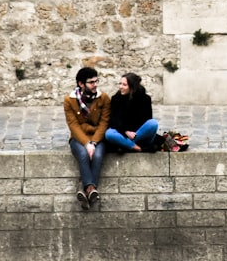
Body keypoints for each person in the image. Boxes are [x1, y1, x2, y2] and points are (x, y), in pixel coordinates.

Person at [63, 67, 110, 210]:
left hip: (98, 137)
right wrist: (87, 143)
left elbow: (104, 123)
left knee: (98, 154)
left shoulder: (103, 98)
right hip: (79, 138)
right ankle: (91, 189)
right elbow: (73, 125)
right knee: (83, 154)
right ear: (81, 84)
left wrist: (94, 142)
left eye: (96, 81)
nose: (95, 85)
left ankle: (86, 191)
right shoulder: (69, 100)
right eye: (91, 82)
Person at [105, 73, 159, 152]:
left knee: (153, 123)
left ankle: (125, 145)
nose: (120, 87)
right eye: (120, 84)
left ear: (132, 87)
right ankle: (138, 148)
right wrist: (125, 132)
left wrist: (133, 134)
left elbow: (146, 120)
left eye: (124, 85)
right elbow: (114, 121)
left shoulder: (145, 99)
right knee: (109, 134)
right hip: (123, 134)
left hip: (140, 135)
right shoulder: (116, 99)